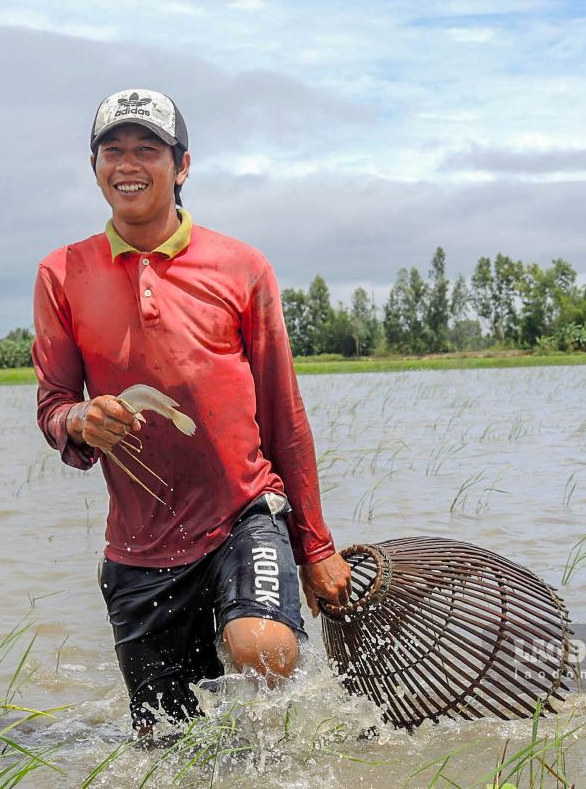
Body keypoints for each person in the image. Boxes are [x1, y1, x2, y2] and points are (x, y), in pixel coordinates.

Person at [32, 88, 351, 733]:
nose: (129, 164)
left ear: (181, 166)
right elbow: (54, 406)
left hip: (242, 513)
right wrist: (79, 421)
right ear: (94, 167)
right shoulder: (62, 273)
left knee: (263, 650)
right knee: (166, 747)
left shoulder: (241, 267)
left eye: (147, 149)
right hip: (140, 545)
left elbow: (284, 415)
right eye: (112, 150)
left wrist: (315, 544)